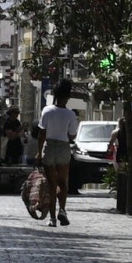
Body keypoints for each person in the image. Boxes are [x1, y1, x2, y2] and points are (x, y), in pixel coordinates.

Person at [36, 78, 78, 226]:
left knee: (51, 184)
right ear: (68, 96)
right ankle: (62, 210)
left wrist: (39, 152)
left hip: (49, 147)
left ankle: (52, 218)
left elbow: (42, 133)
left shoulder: (47, 111)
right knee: (62, 182)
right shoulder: (70, 114)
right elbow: (72, 135)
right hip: (63, 147)